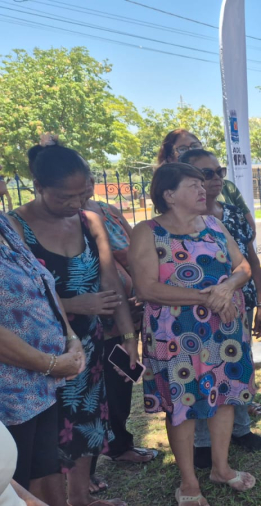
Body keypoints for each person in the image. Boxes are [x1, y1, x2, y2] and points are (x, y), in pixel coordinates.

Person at [8, 141, 137, 506]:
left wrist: (128, 337)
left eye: (84, 192)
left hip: (89, 347)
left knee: (86, 427)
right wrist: (74, 303)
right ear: (39, 186)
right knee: (47, 442)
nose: (77, 203)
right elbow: (19, 303)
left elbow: (111, 285)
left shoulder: (89, 220)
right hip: (38, 355)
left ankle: (82, 500)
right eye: (66, 196)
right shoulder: (15, 228)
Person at [130, 163, 256, 505]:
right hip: (174, 335)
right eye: (193, 185)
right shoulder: (148, 231)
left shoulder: (214, 224)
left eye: (203, 184)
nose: (204, 190)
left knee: (224, 396)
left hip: (223, 330)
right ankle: (188, 483)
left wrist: (228, 287)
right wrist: (209, 298)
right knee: (181, 404)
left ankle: (221, 468)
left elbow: (242, 266)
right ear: (169, 195)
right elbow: (146, 287)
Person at [178, 149, 261, 467]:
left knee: (236, 370)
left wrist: (259, 303)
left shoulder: (229, 214)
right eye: (206, 173)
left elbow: (249, 260)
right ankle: (203, 443)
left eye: (218, 171)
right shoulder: (175, 220)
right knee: (201, 374)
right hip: (192, 315)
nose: (215, 179)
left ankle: (241, 430)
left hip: (234, 307)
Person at [1, 210, 86, 506]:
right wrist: (50, 364)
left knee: (45, 471)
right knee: (12, 480)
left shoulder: (5, 225)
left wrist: (71, 339)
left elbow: (43, 287)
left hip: (39, 385)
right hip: (8, 393)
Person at [81, 181, 158, 494]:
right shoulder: (65, 220)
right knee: (88, 396)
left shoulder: (108, 211)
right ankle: (82, 471)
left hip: (128, 315)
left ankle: (120, 444)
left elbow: (131, 247)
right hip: (91, 320)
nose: (84, 185)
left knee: (121, 382)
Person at [156, 129, 254, 230]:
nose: (192, 151)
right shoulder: (157, 227)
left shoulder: (228, 196)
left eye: (195, 146)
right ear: (169, 158)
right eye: (183, 149)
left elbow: (249, 232)